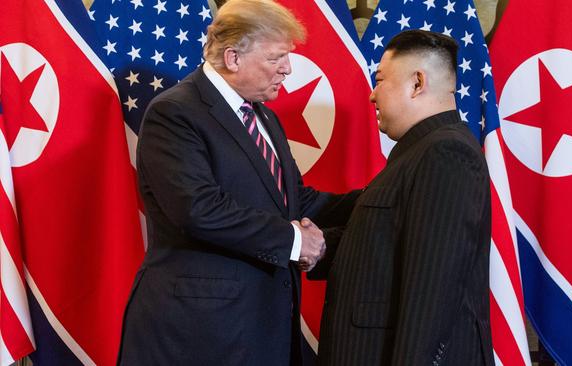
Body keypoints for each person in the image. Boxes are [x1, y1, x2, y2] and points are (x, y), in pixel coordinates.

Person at [117, 0, 358, 364]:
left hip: (260, 328)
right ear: (233, 58)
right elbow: (198, 209)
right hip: (200, 334)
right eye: (277, 58)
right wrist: (295, 241)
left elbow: (295, 202)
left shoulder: (263, 117)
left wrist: (382, 198)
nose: (288, 69)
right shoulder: (176, 112)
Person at [311, 30, 494, 365]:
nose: (371, 95)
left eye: (380, 80)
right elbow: (387, 246)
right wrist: (320, 247)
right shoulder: (417, 153)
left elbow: (432, 292)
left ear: (416, 83)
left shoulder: (446, 153)